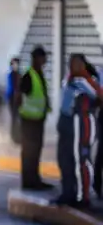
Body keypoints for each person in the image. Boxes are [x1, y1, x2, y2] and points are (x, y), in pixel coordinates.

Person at [55, 55, 102, 208]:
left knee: (81, 160)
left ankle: (84, 197)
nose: (72, 66)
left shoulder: (86, 80)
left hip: (80, 122)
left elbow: (98, 95)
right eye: (70, 63)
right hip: (66, 121)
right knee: (65, 160)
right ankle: (68, 193)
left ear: (82, 65)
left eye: (76, 63)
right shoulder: (69, 78)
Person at [15, 46, 53, 191]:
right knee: (29, 152)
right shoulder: (29, 76)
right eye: (43, 57)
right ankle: (29, 181)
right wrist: (18, 117)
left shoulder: (38, 73)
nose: (45, 60)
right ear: (36, 58)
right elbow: (18, 97)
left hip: (37, 120)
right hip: (29, 121)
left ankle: (34, 179)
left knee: (35, 152)